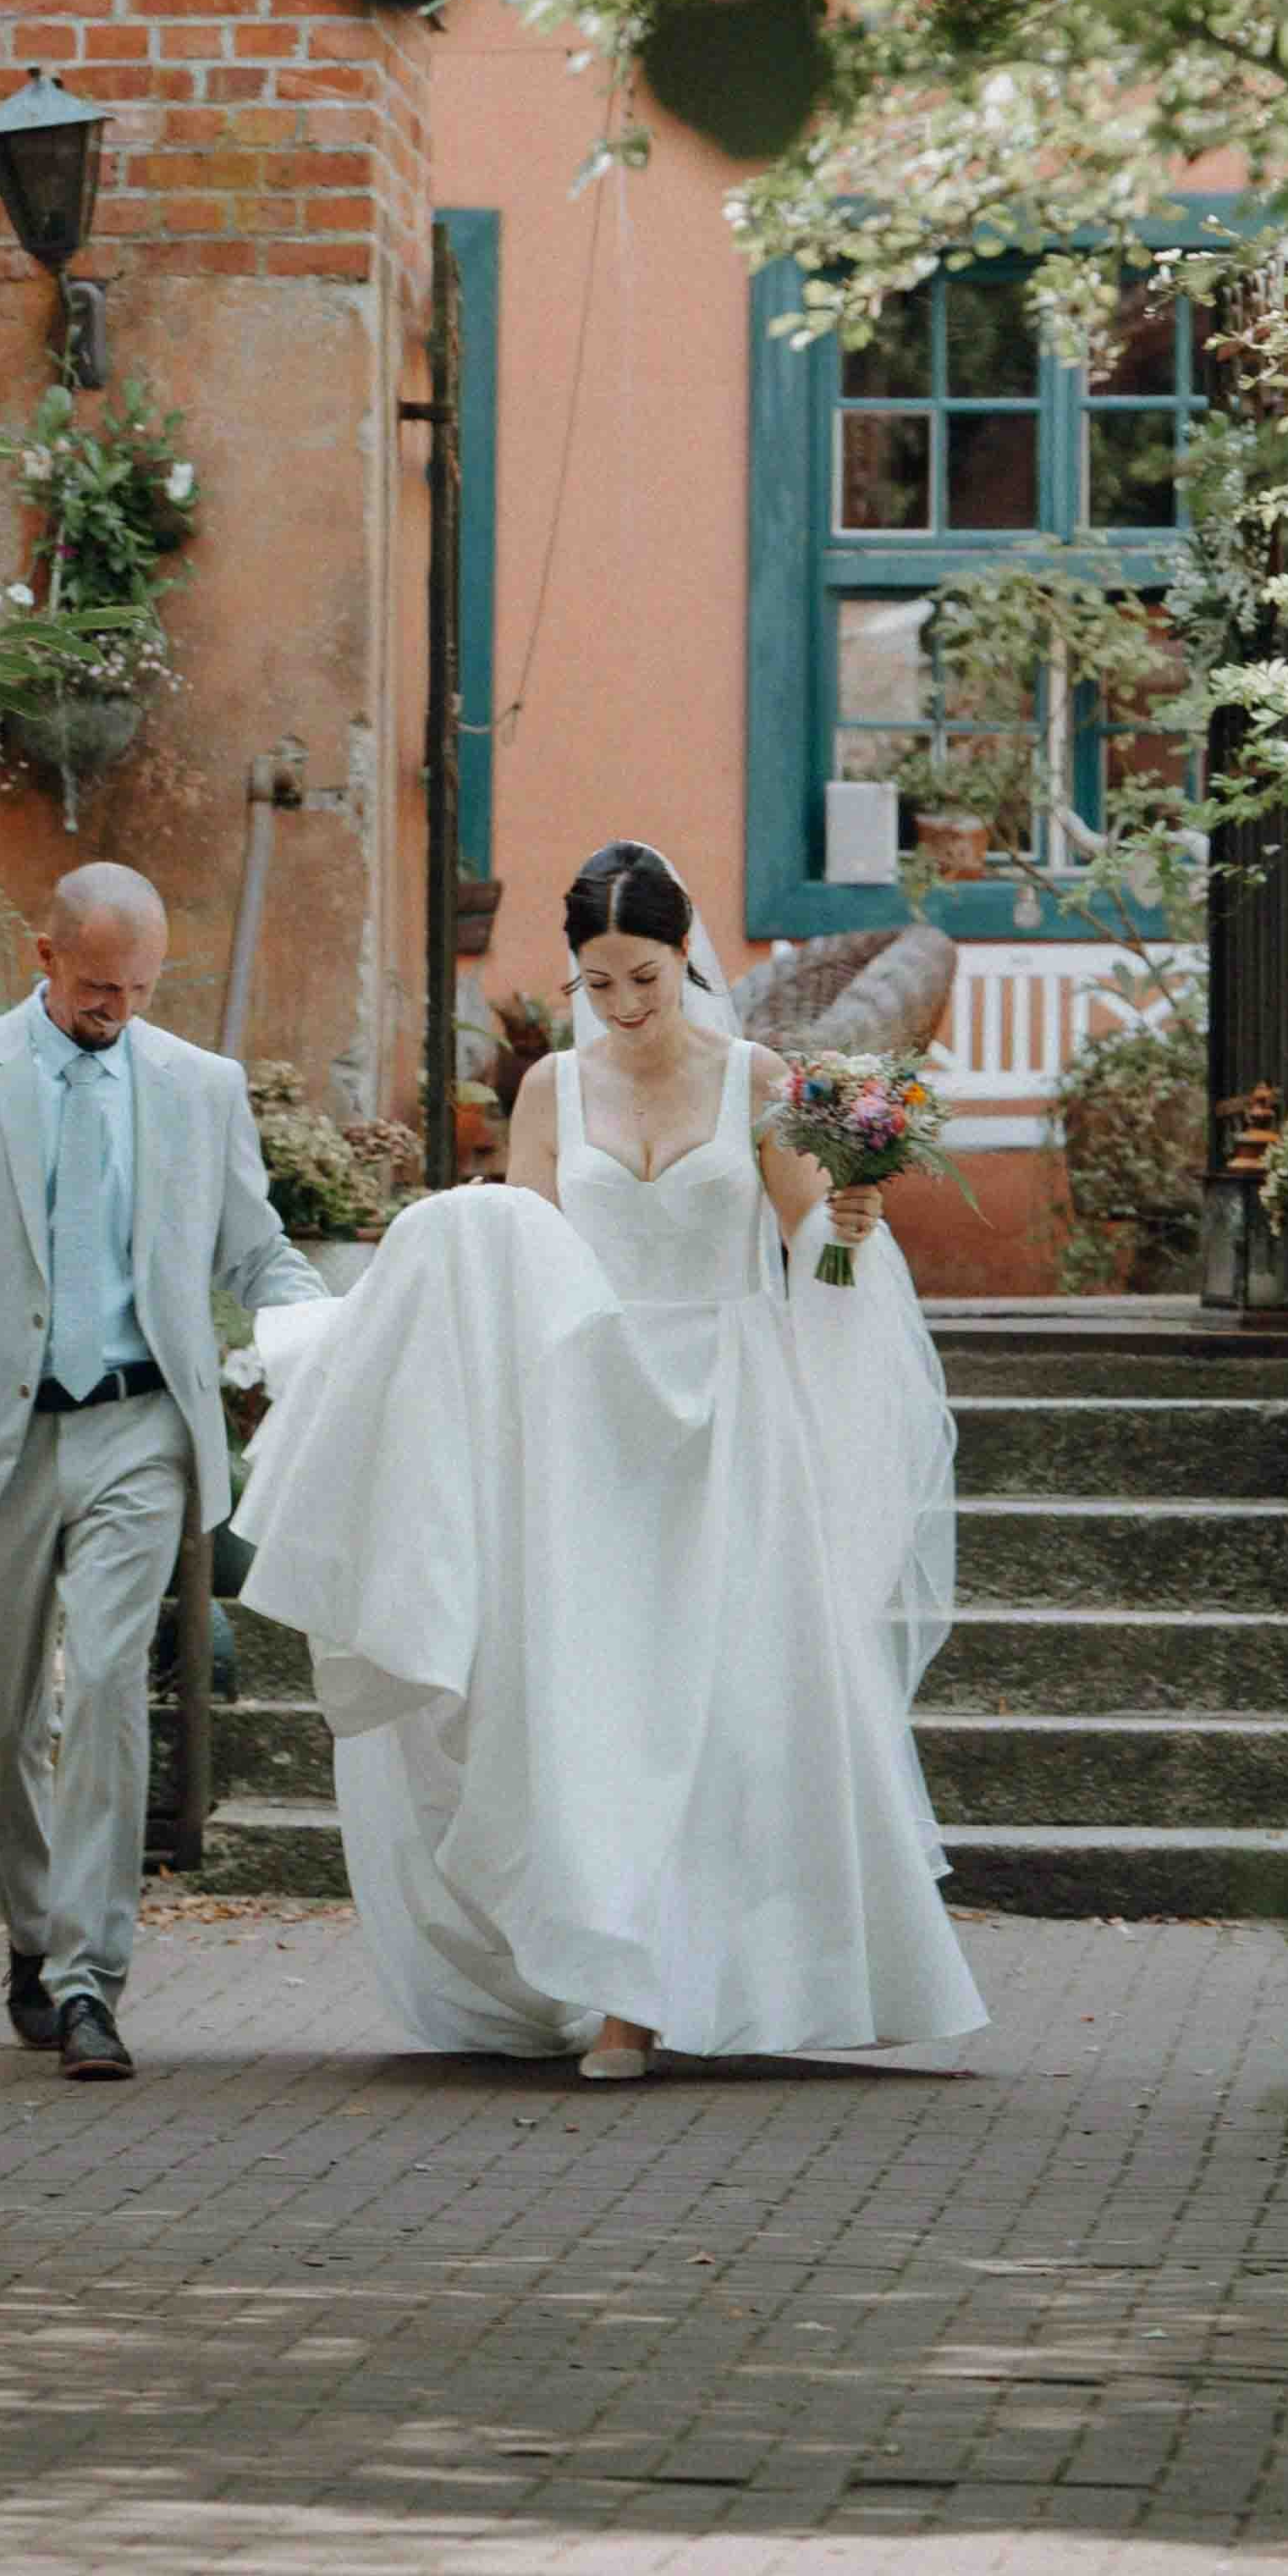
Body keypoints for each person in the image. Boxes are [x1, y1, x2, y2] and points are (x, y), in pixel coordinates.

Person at [234, 841, 984, 2077]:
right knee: (600, 1707)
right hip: (595, 1416)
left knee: (727, 1708)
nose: (627, 1006)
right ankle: (613, 1983)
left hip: (730, 1413)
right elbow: (527, 1255)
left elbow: (820, 1269)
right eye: (599, 983)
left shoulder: (757, 1080)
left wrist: (855, 1225)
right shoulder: (548, 1092)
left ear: (684, 952)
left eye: (643, 975)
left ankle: (697, 1984)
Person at [0, 863, 328, 2082]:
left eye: (139, 988)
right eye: (97, 985)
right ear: (41, 952)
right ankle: (36, 1937)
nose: (117, 1007)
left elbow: (258, 1253)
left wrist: (320, 1335)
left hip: (141, 1424)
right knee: (0, 1716)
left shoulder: (202, 1087)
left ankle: (93, 1977)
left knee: (102, 1680)